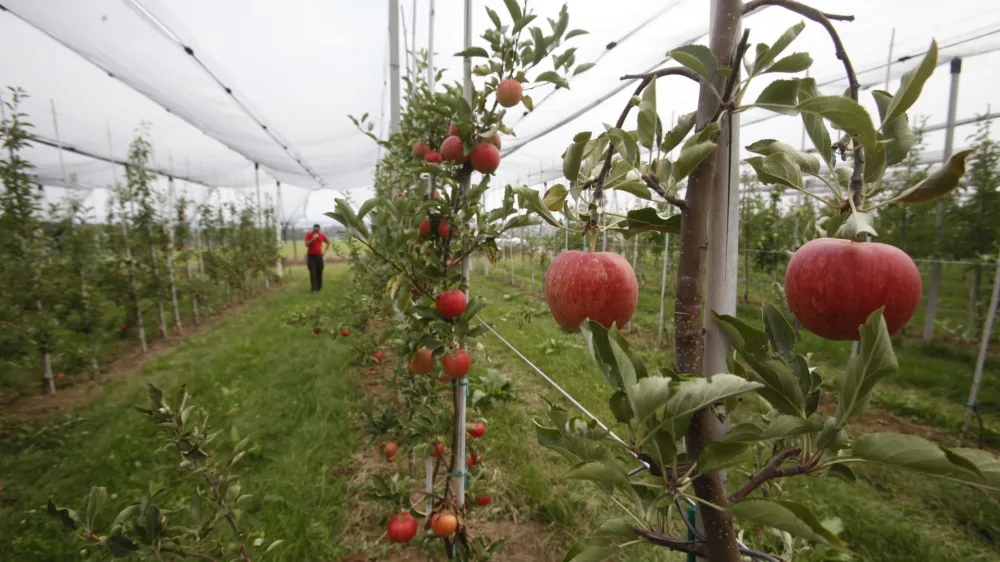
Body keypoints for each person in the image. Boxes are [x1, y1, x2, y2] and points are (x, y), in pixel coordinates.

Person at [305, 224, 330, 292]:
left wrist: (325, 251)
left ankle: (319, 286)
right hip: (311, 256)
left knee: (319, 271)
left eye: (317, 229)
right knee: (313, 272)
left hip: (319, 256)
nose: (316, 230)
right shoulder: (309, 234)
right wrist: (313, 239)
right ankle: (314, 288)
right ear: (313, 229)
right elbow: (307, 244)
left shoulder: (321, 235)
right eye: (315, 229)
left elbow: (328, 242)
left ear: (319, 229)